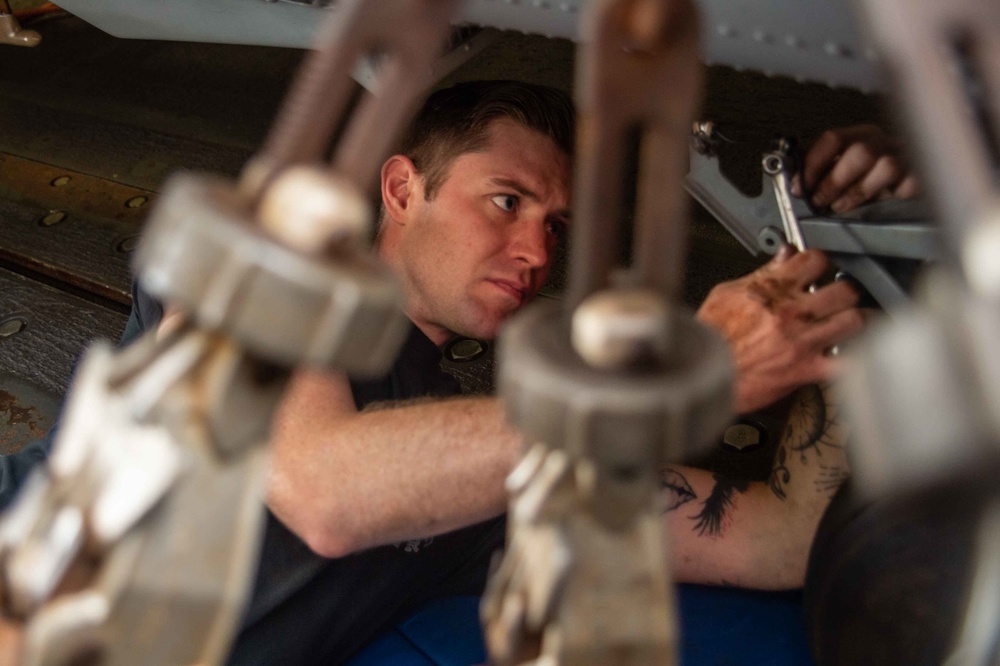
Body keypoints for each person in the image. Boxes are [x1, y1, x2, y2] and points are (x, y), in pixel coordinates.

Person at [0, 81, 916, 664]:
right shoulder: (259, 273)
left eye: (554, 227)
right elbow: (328, 488)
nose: (534, 250)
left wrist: (857, 260)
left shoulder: (478, 475)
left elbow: (779, 540)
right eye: (506, 202)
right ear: (403, 190)